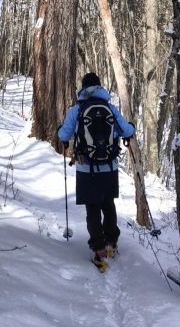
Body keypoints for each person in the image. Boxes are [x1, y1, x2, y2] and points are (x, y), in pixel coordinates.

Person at [58, 72, 135, 268]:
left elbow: (64, 134)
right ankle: (111, 242)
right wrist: (131, 128)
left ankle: (99, 251)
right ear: (100, 88)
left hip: (86, 168)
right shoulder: (110, 108)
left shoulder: (76, 110)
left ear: (83, 89)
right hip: (109, 167)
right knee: (108, 205)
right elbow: (126, 131)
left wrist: (62, 131)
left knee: (92, 209)